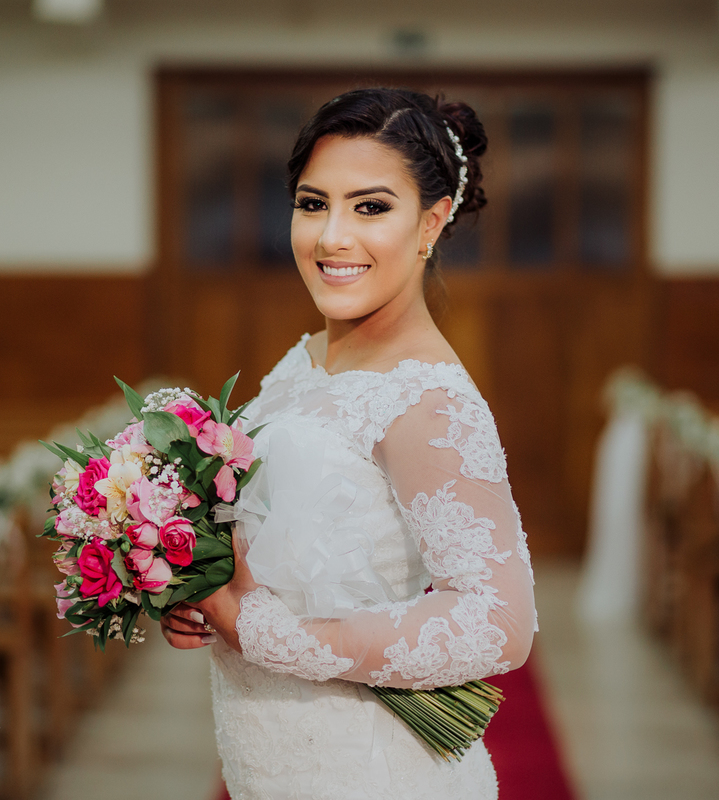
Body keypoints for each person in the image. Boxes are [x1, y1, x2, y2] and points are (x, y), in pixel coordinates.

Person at [159, 88, 538, 799]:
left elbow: (500, 623)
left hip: (368, 770)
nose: (332, 236)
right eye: (312, 204)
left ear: (431, 222)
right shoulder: (307, 360)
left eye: (370, 207)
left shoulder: (426, 399)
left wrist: (264, 631)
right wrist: (201, 593)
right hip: (274, 757)